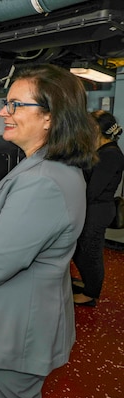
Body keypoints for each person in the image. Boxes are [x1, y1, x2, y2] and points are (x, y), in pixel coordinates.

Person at [0, 64, 96, 398]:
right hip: (17, 318)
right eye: (5, 103)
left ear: (49, 117)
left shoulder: (41, 181)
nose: (3, 112)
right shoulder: (46, 166)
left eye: (15, 104)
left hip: (11, 330)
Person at [72, 110, 124, 307]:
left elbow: (93, 189)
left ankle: (91, 294)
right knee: (79, 250)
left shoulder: (111, 155)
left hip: (97, 211)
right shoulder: (101, 150)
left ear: (95, 128)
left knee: (90, 252)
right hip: (91, 208)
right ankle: (88, 282)